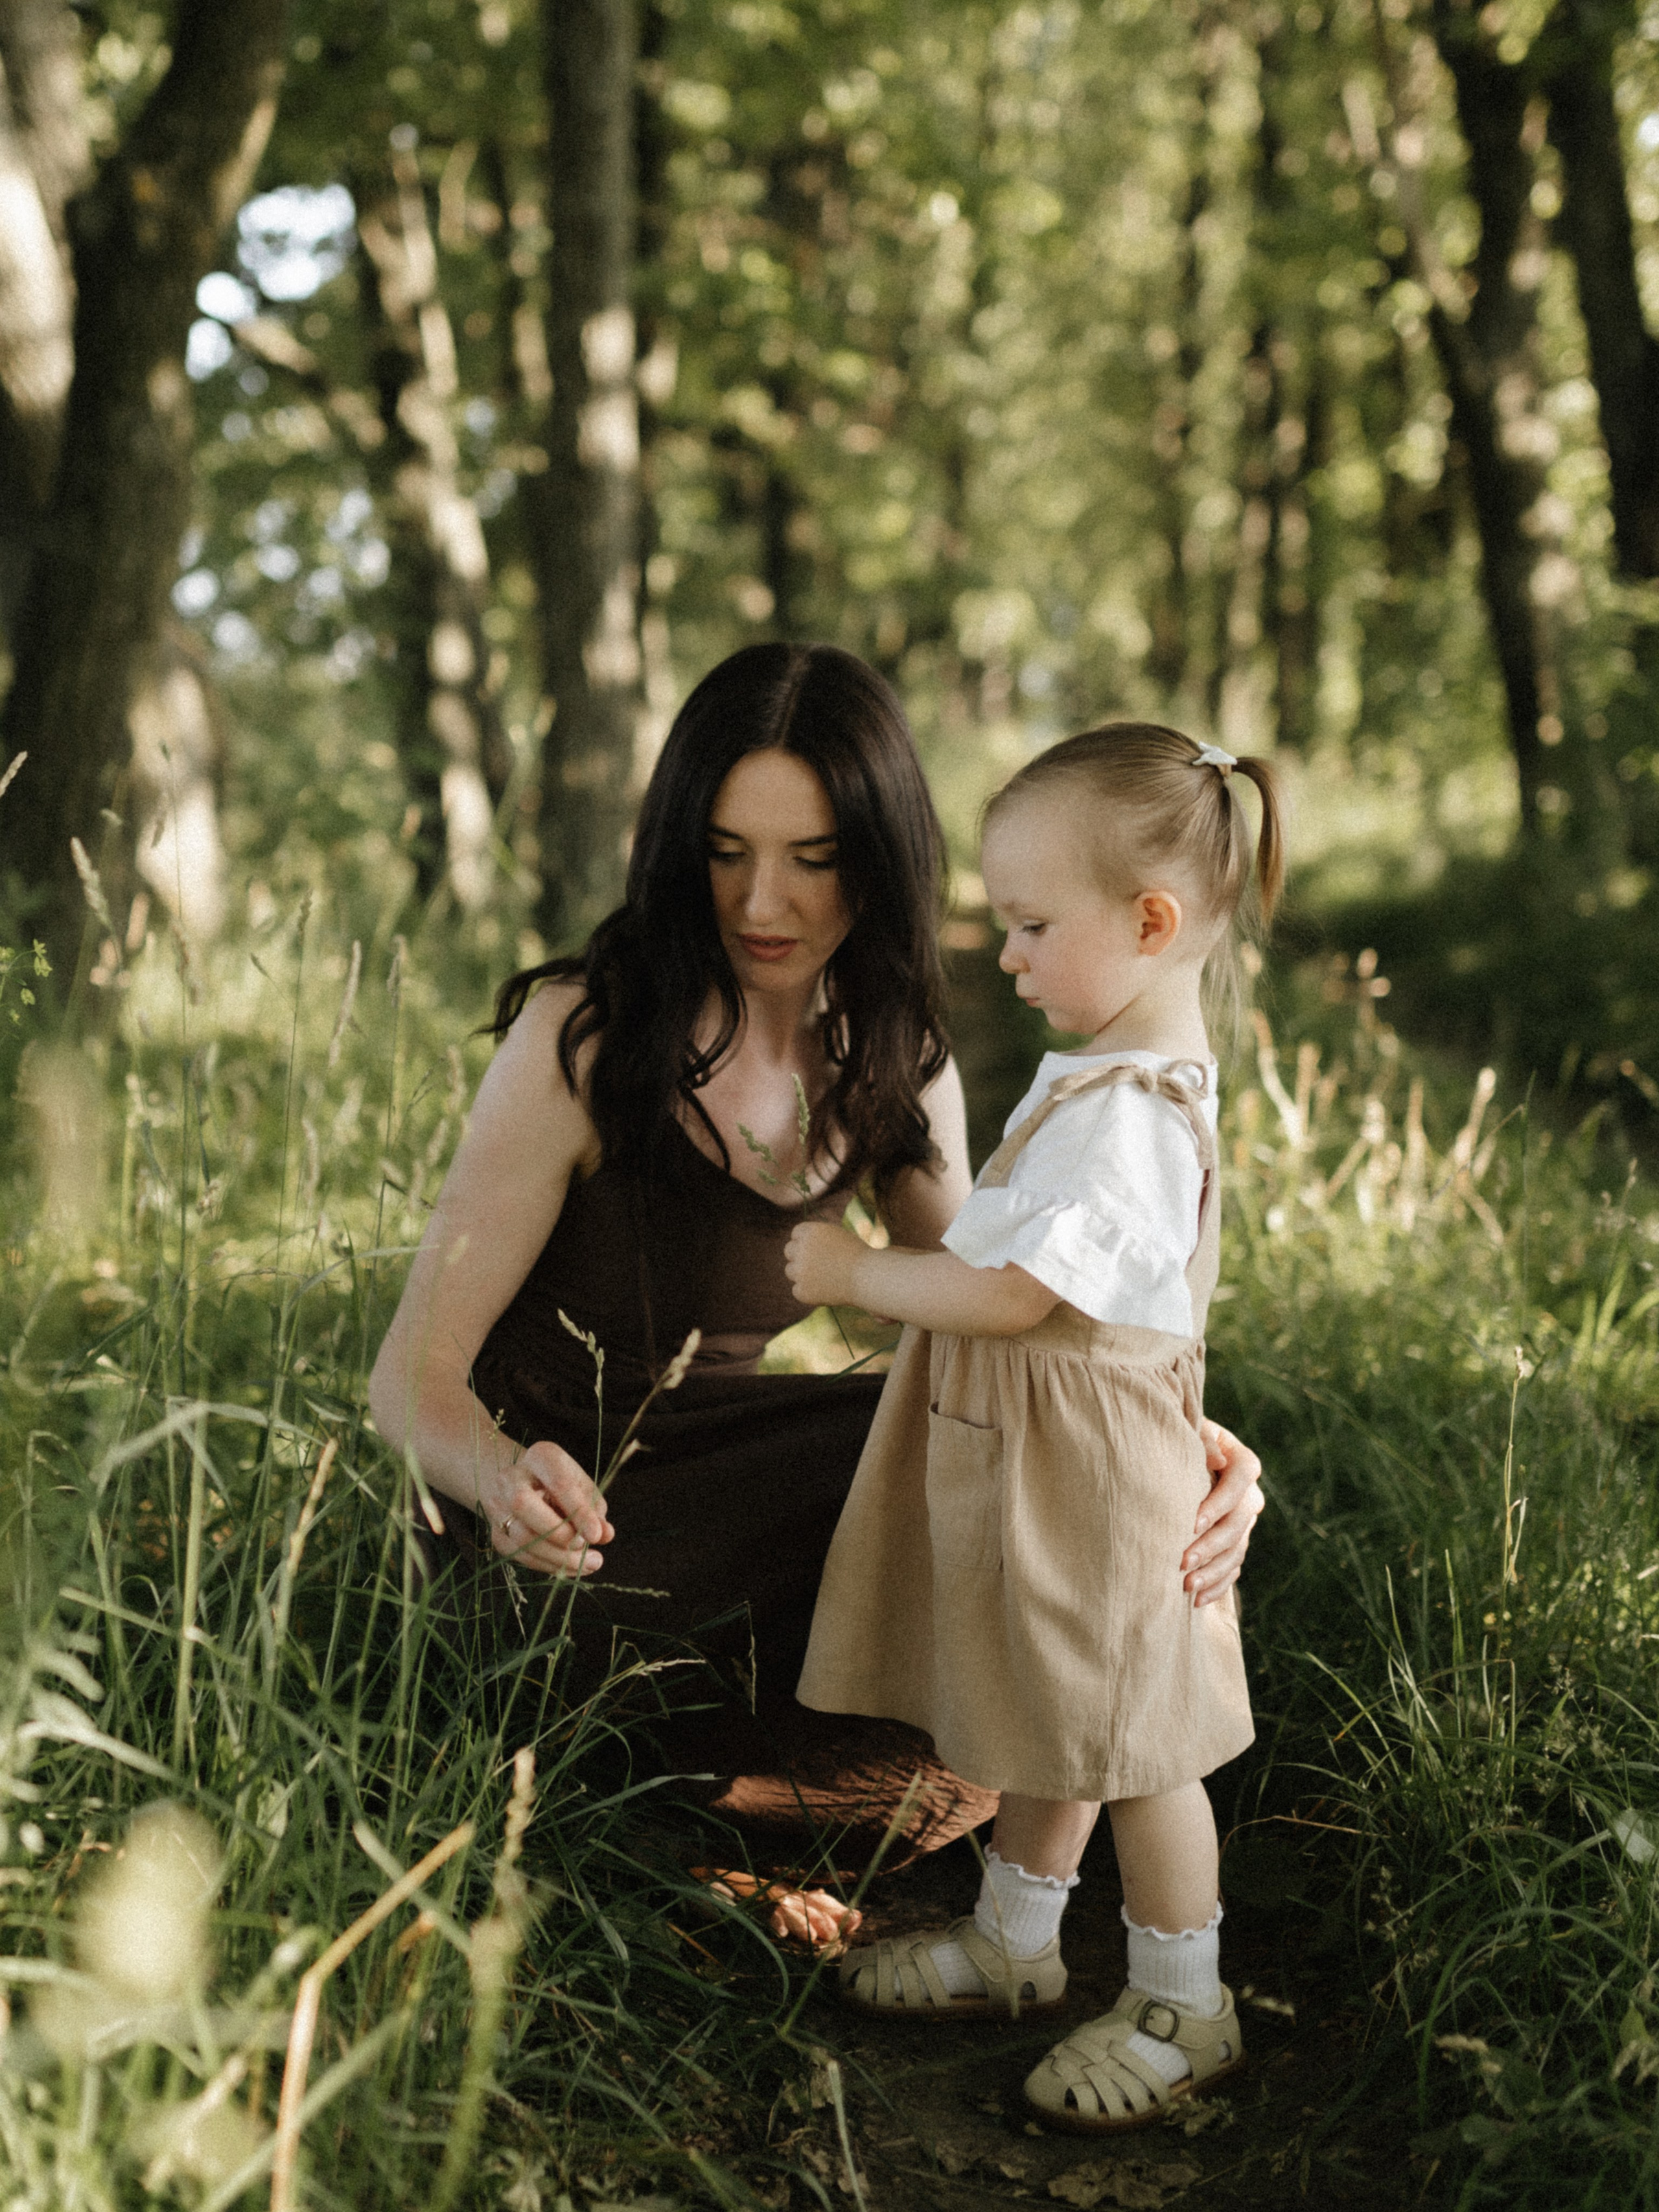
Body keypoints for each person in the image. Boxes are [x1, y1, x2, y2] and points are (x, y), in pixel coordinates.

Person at [369, 650, 1266, 1851]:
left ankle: (762, 1802)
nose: (762, 904)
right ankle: (651, 1790)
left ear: (880, 859)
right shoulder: (580, 1038)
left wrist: (1164, 1447)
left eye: (815, 859)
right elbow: (407, 1380)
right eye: (727, 851)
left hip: (736, 1481)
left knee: (1058, 1495)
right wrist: (499, 1481)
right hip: (559, 1525)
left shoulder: (895, 1055)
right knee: (959, 1648)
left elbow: (1006, 1330)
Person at [783, 721, 1281, 2122]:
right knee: (1059, 1716)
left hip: (1100, 1470)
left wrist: (855, 1275)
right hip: (1061, 1458)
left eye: (1027, 924)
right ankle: (1014, 1941)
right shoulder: (1101, 1077)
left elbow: (1009, 1294)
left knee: (1139, 1744)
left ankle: (1185, 2003)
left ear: (1149, 920)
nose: (1002, 955)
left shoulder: (1127, 1106)